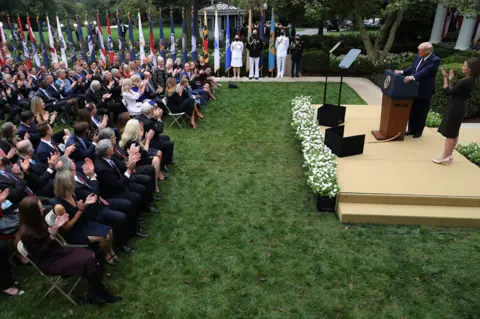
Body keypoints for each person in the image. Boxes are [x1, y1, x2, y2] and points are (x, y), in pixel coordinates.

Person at [18, 196, 121, 304]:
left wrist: (56, 227)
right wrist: (52, 236)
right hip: (48, 261)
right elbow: (39, 254)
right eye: (39, 208)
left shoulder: (37, 221)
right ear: (32, 212)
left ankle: (93, 294)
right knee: (88, 260)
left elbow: (47, 237)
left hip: (57, 251)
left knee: (91, 255)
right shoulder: (26, 234)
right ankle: (102, 294)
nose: (43, 209)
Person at [53, 170, 117, 265]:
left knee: (110, 231)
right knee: (105, 237)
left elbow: (79, 210)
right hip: (74, 233)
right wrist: (80, 210)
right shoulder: (59, 206)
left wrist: (86, 203)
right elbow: (67, 227)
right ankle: (104, 255)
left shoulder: (71, 193)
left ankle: (109, 250)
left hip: (83, 223)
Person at [434, 58, 480, 164]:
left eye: (464, 66)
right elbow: (454, 92)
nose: (462, 67)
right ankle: (449, 155)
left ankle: (444, 156)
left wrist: (445, 78)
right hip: (459, 106)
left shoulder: (465, 81)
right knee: (454, 132)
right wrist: (451, 80)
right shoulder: (471, 80)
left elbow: (448, 92)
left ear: (470, 69)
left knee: (450, 133)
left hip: (455, 108)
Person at [394, 42, 441, 138]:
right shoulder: (419, 57)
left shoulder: (435, 60)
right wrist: (402, 72)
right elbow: (413, 68)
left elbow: (425, 71)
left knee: (421, 111)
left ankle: (418, 131)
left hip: (424, 90)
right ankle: (411, 129)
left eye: (420, 50)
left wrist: (413, 77)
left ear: (427, 51)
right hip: (413, 89)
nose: (418, 51)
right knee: (412, 110)